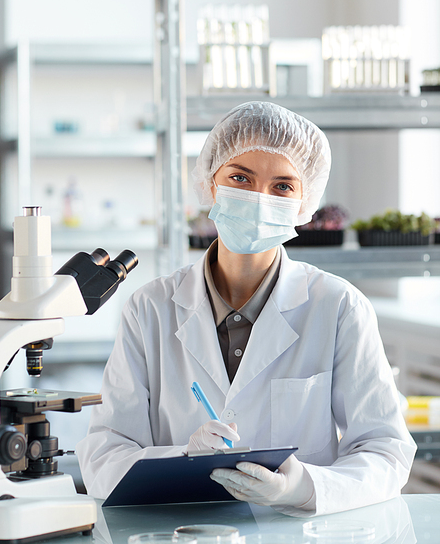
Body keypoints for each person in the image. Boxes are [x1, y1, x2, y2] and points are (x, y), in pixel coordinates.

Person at [76, 101, 416, 516]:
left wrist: (303, 488)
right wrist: (184, 461)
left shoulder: (339, 307)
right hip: (179, 533)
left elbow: (386, 451)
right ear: (210, 183)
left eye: (283, 187)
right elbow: (104, 453)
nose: (259, 200)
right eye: (240, 178)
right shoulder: (150, 308)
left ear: (304, 201)